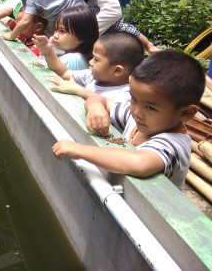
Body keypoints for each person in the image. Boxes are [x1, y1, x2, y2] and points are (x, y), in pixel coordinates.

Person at [52, 50, 205, 189]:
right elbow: (100, 100)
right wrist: (96, 107)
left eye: (151, 108)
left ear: (186, 113)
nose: (136, 111)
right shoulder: (137, 118)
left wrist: (79, 150)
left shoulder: (172, 143)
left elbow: (139, 163)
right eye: (133, 99)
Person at [44, 31, 145, 102]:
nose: (91, 62)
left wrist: (77, 89)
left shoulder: (126, 95)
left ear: (117, 70)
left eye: (96, 59)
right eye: (92, 57)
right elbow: (64, 73)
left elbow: (108, 105)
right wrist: (48, 52)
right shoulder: (90, 76)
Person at [32, 6, 99, 71]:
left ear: (81, 38)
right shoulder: (74, 57)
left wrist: (47, 52)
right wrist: (44, 51)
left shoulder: (73, 59)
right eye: (56, 29)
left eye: (62, 31)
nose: (55, 35)